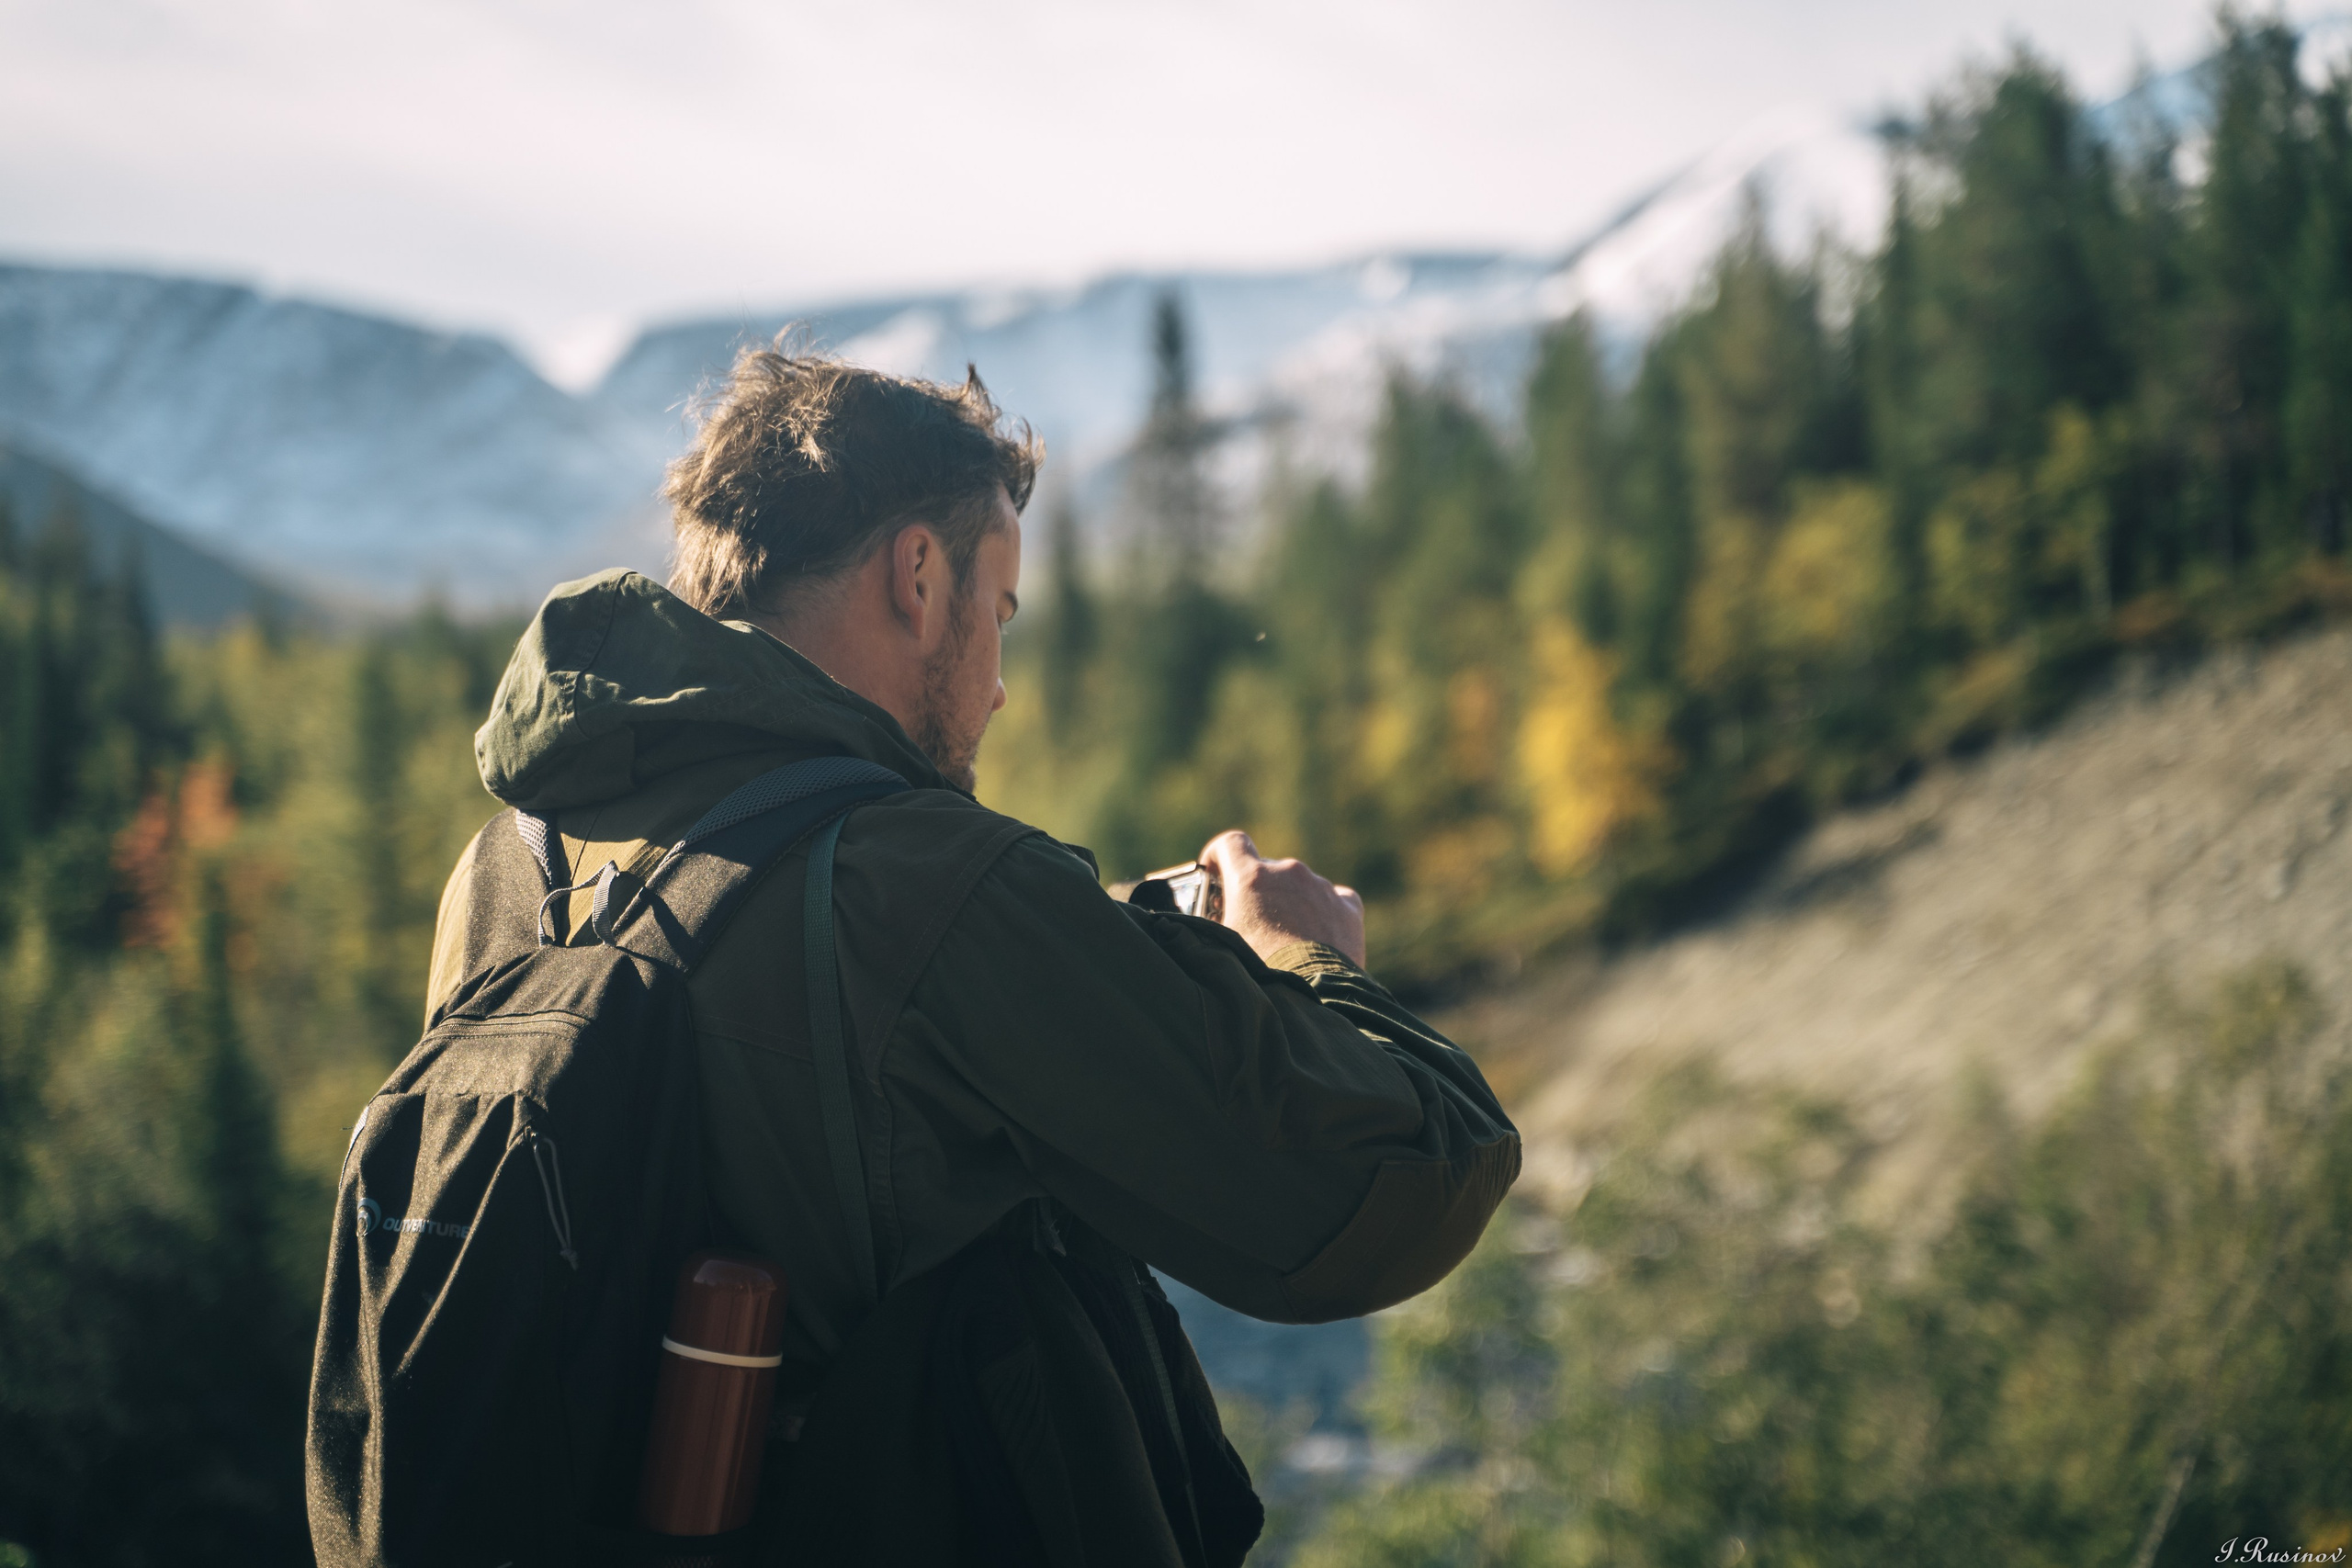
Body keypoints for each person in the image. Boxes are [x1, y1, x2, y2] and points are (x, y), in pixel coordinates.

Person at [425, 345, 1519, 1565]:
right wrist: (1306, 966)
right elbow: (1396, 1185)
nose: (998, 687)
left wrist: (1089, 938)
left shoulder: (517, 860)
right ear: (917, 572)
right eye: (999, 612)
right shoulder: (932, 886)